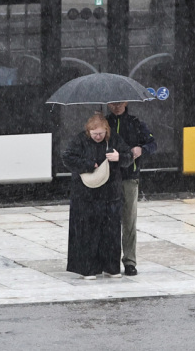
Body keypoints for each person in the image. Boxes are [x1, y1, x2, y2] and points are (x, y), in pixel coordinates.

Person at [61, 112, 133, 279]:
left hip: (110, 194)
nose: (98, 137)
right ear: (89, 132)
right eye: (95, 134)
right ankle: (88, 269)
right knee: (88, 231)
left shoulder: (114, 139)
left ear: (106, 130)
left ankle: (111, 267)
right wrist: (87, 164)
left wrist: (118, 157)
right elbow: (67, 158)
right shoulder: (80, 140)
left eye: (101, 134)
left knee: (111, 232)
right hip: (86, 195)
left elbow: (128, 158)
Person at [106, 101, 157, 276]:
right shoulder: (104, 123)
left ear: (126, 103)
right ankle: (109, 260)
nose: (116, 106)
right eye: (113, 103)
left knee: (129, 221)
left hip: (129, 177)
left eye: (119, 103)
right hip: (107, 178)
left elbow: (152, 144)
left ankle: (129, 261)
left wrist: (141, 149)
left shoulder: (136, 123)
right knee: (109, 221)